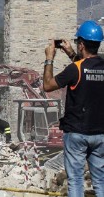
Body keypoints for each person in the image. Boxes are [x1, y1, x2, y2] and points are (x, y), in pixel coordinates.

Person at [43, 20, 104, 197]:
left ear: (82, 44)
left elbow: (47, 85)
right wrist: (71, 53)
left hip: (77, 133)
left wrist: (49, 58)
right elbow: (88, 70)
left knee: (76, 179)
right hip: (100, 134)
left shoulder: (74, 69)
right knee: (100, 180)